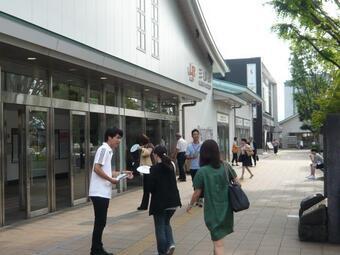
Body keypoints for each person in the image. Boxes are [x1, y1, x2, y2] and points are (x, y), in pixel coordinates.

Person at [186, 139, 239, 255]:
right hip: (227, 210)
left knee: (218, 244)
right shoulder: (226, 166)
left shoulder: (202, 171)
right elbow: (237, 182)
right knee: (218, 241)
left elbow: (197, 192)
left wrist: (190, 205)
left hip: (213, 212)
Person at [89, 127, 133, 255]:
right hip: (99, 192)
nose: (119, 141)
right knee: (100, 222)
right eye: (117, 138)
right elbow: (97, 168)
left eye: (120, 138)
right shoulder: (104, 149)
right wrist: (111, 179)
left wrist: (123, 173)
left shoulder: (108, 151)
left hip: (102, 192)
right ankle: (96, 250)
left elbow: (107, 171)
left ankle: (98, 248)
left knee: (101, 222)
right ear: (109, 137)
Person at [146, 145, 181, 255]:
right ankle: (170, 244)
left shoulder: (154, 169)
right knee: (166, 223)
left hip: (160, 203)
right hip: (173, 201)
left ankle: (162, 252)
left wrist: (147, 177)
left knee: (160, 227)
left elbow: (150, 188)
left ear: (156, 155)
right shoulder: (172, 165)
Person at [186, 129, 203, 207]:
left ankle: (200, 199)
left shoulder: (202, 145)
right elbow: (186, 156)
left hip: (201, 167)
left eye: (197, 134)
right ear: (192, 136)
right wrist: (192, 157)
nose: (196, 136)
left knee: (201, 184)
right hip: (193, 168)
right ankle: (197, 198)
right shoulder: (189, 146)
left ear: (199, 135)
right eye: (194, 134)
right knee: (195, 184)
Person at [137, 134, 155, 210]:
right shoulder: (145, 146)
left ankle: (146, 205)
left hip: (150, 168)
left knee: (149, 188)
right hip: (145, 169)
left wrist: (142, 149)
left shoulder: (150, 145)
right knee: (146, 189)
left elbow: (147, 153)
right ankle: (144, 205)